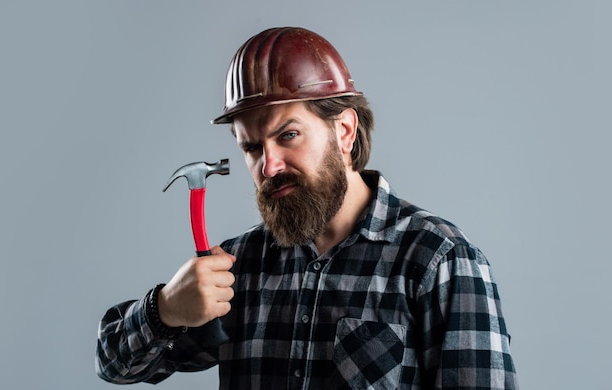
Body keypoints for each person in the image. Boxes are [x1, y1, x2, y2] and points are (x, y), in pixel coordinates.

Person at [96, 27, 518, 389]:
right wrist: (165, 309)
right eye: (251, 148)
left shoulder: (438, 262)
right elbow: (114, 364)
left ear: (345, 131)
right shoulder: (236, 269)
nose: (269, 165)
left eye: (289, 135)